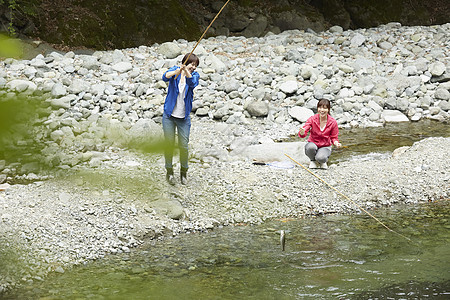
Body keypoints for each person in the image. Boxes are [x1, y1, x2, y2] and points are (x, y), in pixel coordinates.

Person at [161, 53, 200, 185]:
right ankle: (169, 172)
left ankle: (184, 173)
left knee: (184, 146)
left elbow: (192, 83)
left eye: (195, 65)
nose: (193, 67)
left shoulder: (194, 75)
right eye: (191, 64)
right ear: (185, 62)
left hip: (183, 117)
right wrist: (178, 71)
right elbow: (164, 77)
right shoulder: (175, 71)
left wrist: (186, 72)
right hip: (169, 116)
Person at [298, 99, 341, 169]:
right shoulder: (312, 119)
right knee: (310, 147)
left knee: (321, 158)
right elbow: (305, 128)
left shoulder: (333, 122)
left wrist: (336, 143)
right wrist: (302, 132)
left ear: (328, 109)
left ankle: (322, 161)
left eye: (325, 108)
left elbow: (334, 137)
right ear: (317, 108)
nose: (322, 110)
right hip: (313, 143)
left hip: (325, 146)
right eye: (320, 107)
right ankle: (313, 160)